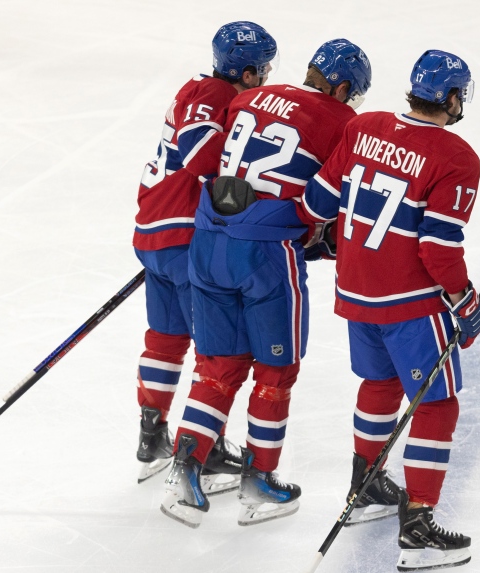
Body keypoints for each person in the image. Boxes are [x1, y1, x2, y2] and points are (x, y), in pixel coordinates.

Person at [159, 38, 373, 529]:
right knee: (276, 372)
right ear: (342, 87)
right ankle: (259, 482)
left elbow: (211, 162)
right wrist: (306, 228)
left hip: (208, 244)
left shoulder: (251, 96)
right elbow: (321, 200)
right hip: (266, 256)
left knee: (216, 365)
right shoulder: (344, 122)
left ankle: (183, 473)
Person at [299, 50, 480, 572]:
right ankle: (419, 527)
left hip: (356, 293)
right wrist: (464, 300)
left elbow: (317, 200)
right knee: (436, 405)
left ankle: (364, 486)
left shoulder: (366, 126)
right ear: (451, 98)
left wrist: (324, 237)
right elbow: (438, 247)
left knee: (378, 384)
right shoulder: (457, 156)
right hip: (411, 303)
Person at [132, 21, 278, 492]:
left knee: (165, 336)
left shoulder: (197, 87)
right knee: (218, 351)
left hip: (153, 229)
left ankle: (151, 437)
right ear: (250, 71)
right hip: (181, 236)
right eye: (265, 68)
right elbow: (200, 154)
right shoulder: (214, 94)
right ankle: (205, 450)